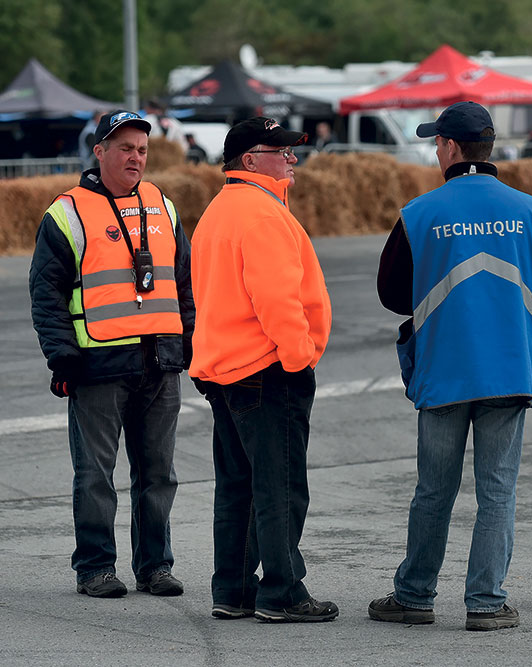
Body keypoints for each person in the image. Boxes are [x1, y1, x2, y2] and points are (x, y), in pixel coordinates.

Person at [367, 101, 532, 632]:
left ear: (452, 148)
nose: (437, 151)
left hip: (444, 371)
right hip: (509, 370)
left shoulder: (419, 213)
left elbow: (391, 294)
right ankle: (486, 602)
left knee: (434, 490)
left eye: (437, 143)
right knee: (497, 491)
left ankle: (413, 596)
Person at [29, 110, 195, 598]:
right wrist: (62, 359)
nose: (135, 158)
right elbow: (46, 292)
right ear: (99, 151)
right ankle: (96, 569)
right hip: (97, 365)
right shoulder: (67, 212)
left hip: (160, 364)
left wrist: (188, 342)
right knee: (95, 475)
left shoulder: (163, 205)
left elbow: (184, 282)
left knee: (159, 475)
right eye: (124, 148)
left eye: (142, 150)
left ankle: (155, 568)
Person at [189, 117, 337, 623]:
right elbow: (277, 300)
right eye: (280, 151)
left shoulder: (217, 212)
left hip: (224, 369)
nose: (291, 158)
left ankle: (231, 588)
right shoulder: (262, 214)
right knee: (282, 485)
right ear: (249, 160)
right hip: (268, 367)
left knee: (237, 486)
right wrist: (299, 359)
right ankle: (282, 590)